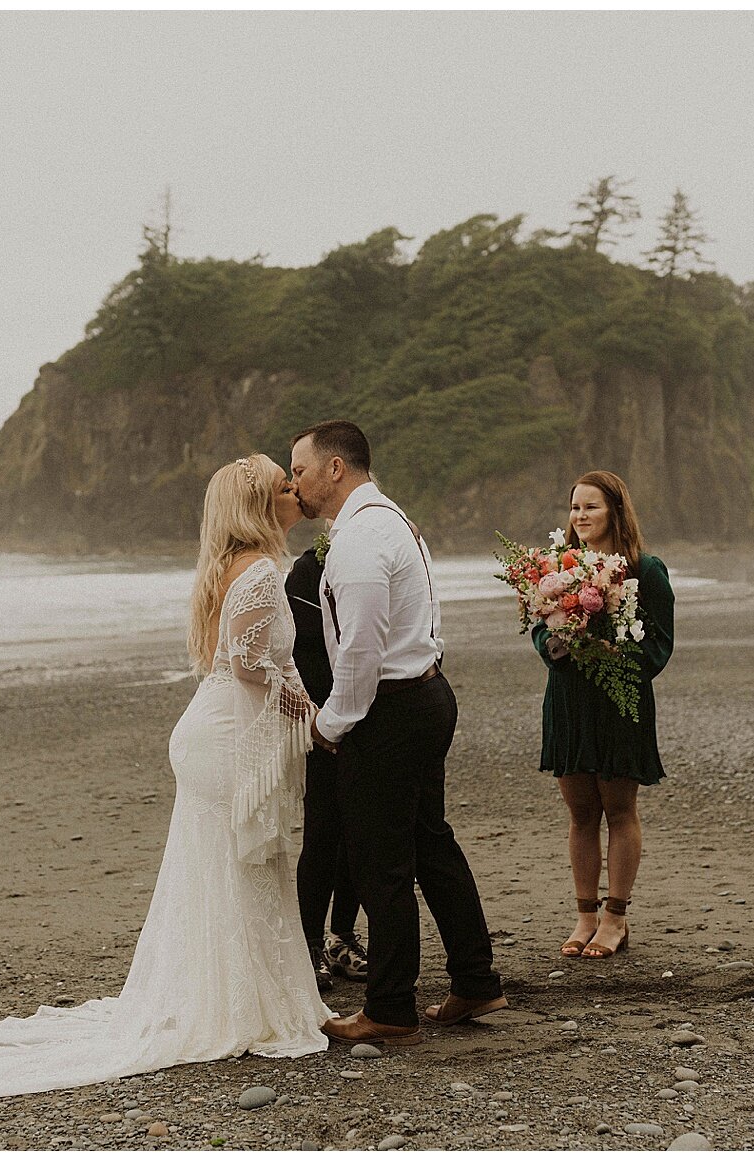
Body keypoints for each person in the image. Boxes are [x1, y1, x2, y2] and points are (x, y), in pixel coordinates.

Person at [0, 454, 328, 1103]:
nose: (295, 492)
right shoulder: (261, 569)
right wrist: (301, 704)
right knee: (240, 868)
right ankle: (247, 1006)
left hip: (213, 731)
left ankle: (240, 997)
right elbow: (244, 661)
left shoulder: (229, 566)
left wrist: (288, 692)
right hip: (226, 736)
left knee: (224, 869)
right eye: (282, 487)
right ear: (262, 505)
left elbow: (238, 654)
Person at [289, 420, 505, 1047]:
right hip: (424, 692)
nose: (293, 482)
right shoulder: (392, 522)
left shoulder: (360, 540)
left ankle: (390, 1008)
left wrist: (331, 725)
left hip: (390, 708)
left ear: (335, 469)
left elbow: (359, 651)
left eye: (299, 469)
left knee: (380, 861)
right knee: (430, 842)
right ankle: (474, 977)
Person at [533, 470, 674, 960]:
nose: (580, 516)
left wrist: (609, 655)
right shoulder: (557, 566)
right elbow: (539, 621)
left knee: (618, 809)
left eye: (590, 507)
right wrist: (553, 644)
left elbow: (660, 643)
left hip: (620, 702)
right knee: (580, 813)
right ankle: (585, 915)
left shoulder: (644, 569)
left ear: (615, 510)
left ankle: (616, 917)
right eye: (575, 508)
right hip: (568, 700)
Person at [286, 528, 369, 992]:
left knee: (359, 833)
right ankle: (311, 944)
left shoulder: (371, 560)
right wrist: (328, 718)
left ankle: (343, 936)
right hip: (324, 720)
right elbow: (298, 653)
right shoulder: (305, 571)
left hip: (371, 713)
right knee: (321, 831)